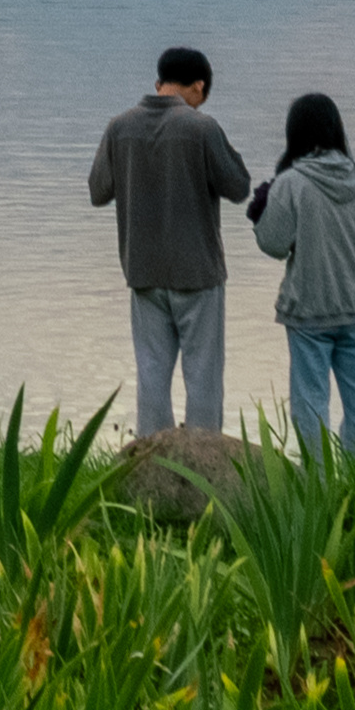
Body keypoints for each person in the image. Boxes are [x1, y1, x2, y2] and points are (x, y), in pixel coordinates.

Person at [86, 42, 251, 436]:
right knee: (203, 375)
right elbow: (239, 186)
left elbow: (97, 191)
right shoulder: (202, 127)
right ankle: (203, 463)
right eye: (203, 94)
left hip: (143, 270)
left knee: (152, 373)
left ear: (158, 82)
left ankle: (151, 461)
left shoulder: (119, 127)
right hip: (198, 272)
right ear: (198, 86)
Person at [248, 88, 355, 456]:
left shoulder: (291, 182)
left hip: (307, 314)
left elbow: (273, 244)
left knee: (310, 404)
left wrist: (260, 212)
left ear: (294, 132)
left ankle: (317, 485)